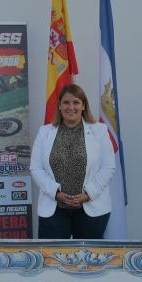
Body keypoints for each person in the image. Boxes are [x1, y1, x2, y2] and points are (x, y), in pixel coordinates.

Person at [30, 84, 115, 239]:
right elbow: (36, 168)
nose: (71, 107)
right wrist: (56, 193)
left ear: (83, 106)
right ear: (60, 106)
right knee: (52, 260)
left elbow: (108, 167)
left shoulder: (100, 131)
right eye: (66, 102)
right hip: (54, 207)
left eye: (76, 102)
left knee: (88, 260)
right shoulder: (44, 132)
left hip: (91, 208)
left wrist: (88, 194)